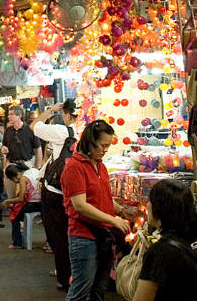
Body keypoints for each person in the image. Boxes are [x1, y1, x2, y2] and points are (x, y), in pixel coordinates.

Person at [61, 120, 131, 301]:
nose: (105, 149)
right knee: (80, 290)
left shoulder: (100, 165)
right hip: (84, 236)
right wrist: (114, 219)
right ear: (90, 142)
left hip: (103, 234)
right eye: (103, 145)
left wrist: (121, 210)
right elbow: (80, 205)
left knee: (98, 290)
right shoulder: (74, 167)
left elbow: (102, 198)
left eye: (108, 145)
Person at [31, 98, 79, 290]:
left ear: (67, 114)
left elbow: (35, 125)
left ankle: (65, 277)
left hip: (55, 191)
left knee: (58, 236)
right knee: (72, 234)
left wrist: (51, 110)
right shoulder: (85, 132)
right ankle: (70, 272)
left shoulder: (62, 131)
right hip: (73, 189)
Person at [133, 178, 197, 301]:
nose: (147, 205)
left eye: (150, 201)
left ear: (160, 208)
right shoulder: (187, 243)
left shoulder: (159, 252)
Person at [2, 105, 42, 197]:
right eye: (9, 114)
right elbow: (4, 145)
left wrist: (36, 168)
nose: (9, 117)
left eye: (11, 114)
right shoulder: (8, 131)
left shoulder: (30, 130)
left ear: (19, 116)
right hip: (11, 166)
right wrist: (3, 149)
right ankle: (12, 210)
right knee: (10, 194)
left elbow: (38, 149)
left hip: (26, 165)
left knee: (25, 195)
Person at [2, 163, 41, 249]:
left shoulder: (23, 179)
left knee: (14, 215)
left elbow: (21, 198)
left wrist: (7, 201)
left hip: (33, 204)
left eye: (13, 180)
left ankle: (17, 242)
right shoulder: (34, 170)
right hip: (42, 203)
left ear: (17, 175)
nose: (15, 182)